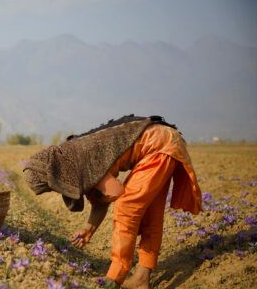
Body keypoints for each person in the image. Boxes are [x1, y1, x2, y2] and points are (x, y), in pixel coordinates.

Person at [23, 115, 202, 289]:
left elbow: (115, 191)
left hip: (157, 144)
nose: (57, 189)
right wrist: (88, 229)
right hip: (165, 141)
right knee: (151, 216)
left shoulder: (78, 160)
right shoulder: (69, 159)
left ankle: (114, 278)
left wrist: (107, 201)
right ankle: (141, 279)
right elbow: (100, 201)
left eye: (51, 186)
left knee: (127, 206)